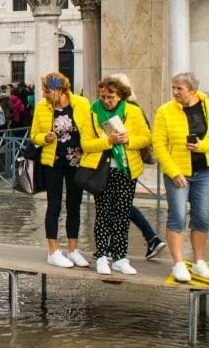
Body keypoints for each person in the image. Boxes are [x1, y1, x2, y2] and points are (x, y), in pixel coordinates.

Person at [153, 71, 209, 283]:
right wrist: (173, 171)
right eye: (173, 88)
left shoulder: (207, 106)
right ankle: (178, 263)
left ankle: (199, 261)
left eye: (180, 88)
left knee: (202, 216)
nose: (175, 92)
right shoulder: (164, 111)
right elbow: (158, 145)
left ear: (192, 90)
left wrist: (202, 146)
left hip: (204, 170)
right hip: (177, 171)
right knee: (177, 215)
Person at [77, 76, 152, 275]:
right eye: (102, 96)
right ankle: (101, 255)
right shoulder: (92, 112)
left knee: (122, 214)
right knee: (103, 213)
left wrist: (128, 140)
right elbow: (85, 144)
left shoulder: (133, 111)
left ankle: (120, 257)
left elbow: (146, 138)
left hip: (126, 169)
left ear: (120, 95)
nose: (106, 100)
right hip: (102, 170)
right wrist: (108, 141)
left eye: (110, 96)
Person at [31, 72, 92, 268]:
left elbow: (90, 129)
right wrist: (44, 138)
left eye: (47, 91)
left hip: (77, 162)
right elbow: (34, 136)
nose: (44, 95)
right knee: (53, 205)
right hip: (53, 162)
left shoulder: (81, 104)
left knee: (74, 205)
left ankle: (73, 250)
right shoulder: (42, 107)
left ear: (60, 90)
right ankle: (53, 251)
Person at [111, 73, 166, 259]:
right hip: (121, 163)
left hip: (124, 163)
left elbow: (144, 136)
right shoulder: (131, 107)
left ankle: (149, 238)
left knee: (121, 205)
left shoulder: (130, 109)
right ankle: (147, 239)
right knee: (119, 205)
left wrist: (124, 140)